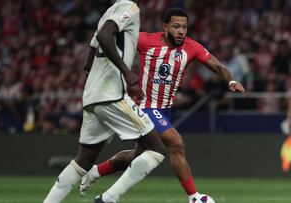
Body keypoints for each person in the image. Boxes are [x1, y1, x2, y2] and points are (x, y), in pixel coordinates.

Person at [80, 8, 244, 203]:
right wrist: (91, 67)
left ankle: (95, 172)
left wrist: (231, 81)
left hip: (165, 110)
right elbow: (104, 37)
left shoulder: (191, 48)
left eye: (184, 27)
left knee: (135, 156)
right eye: (176, 26)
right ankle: (194, 197)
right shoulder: (144, 40)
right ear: (165, 27)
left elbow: (218, 66)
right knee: (176, 143)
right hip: (145, 106)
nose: (181, 31)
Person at [43, 1, 167, 203]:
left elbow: (89, 58)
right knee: (156, 148)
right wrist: (127, 73)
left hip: (93, 95)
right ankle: (108, 199)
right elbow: (103, 35)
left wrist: (94, 74)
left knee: (84, 160)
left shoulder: (108, 12)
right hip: (111, 95)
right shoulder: (130, 6)